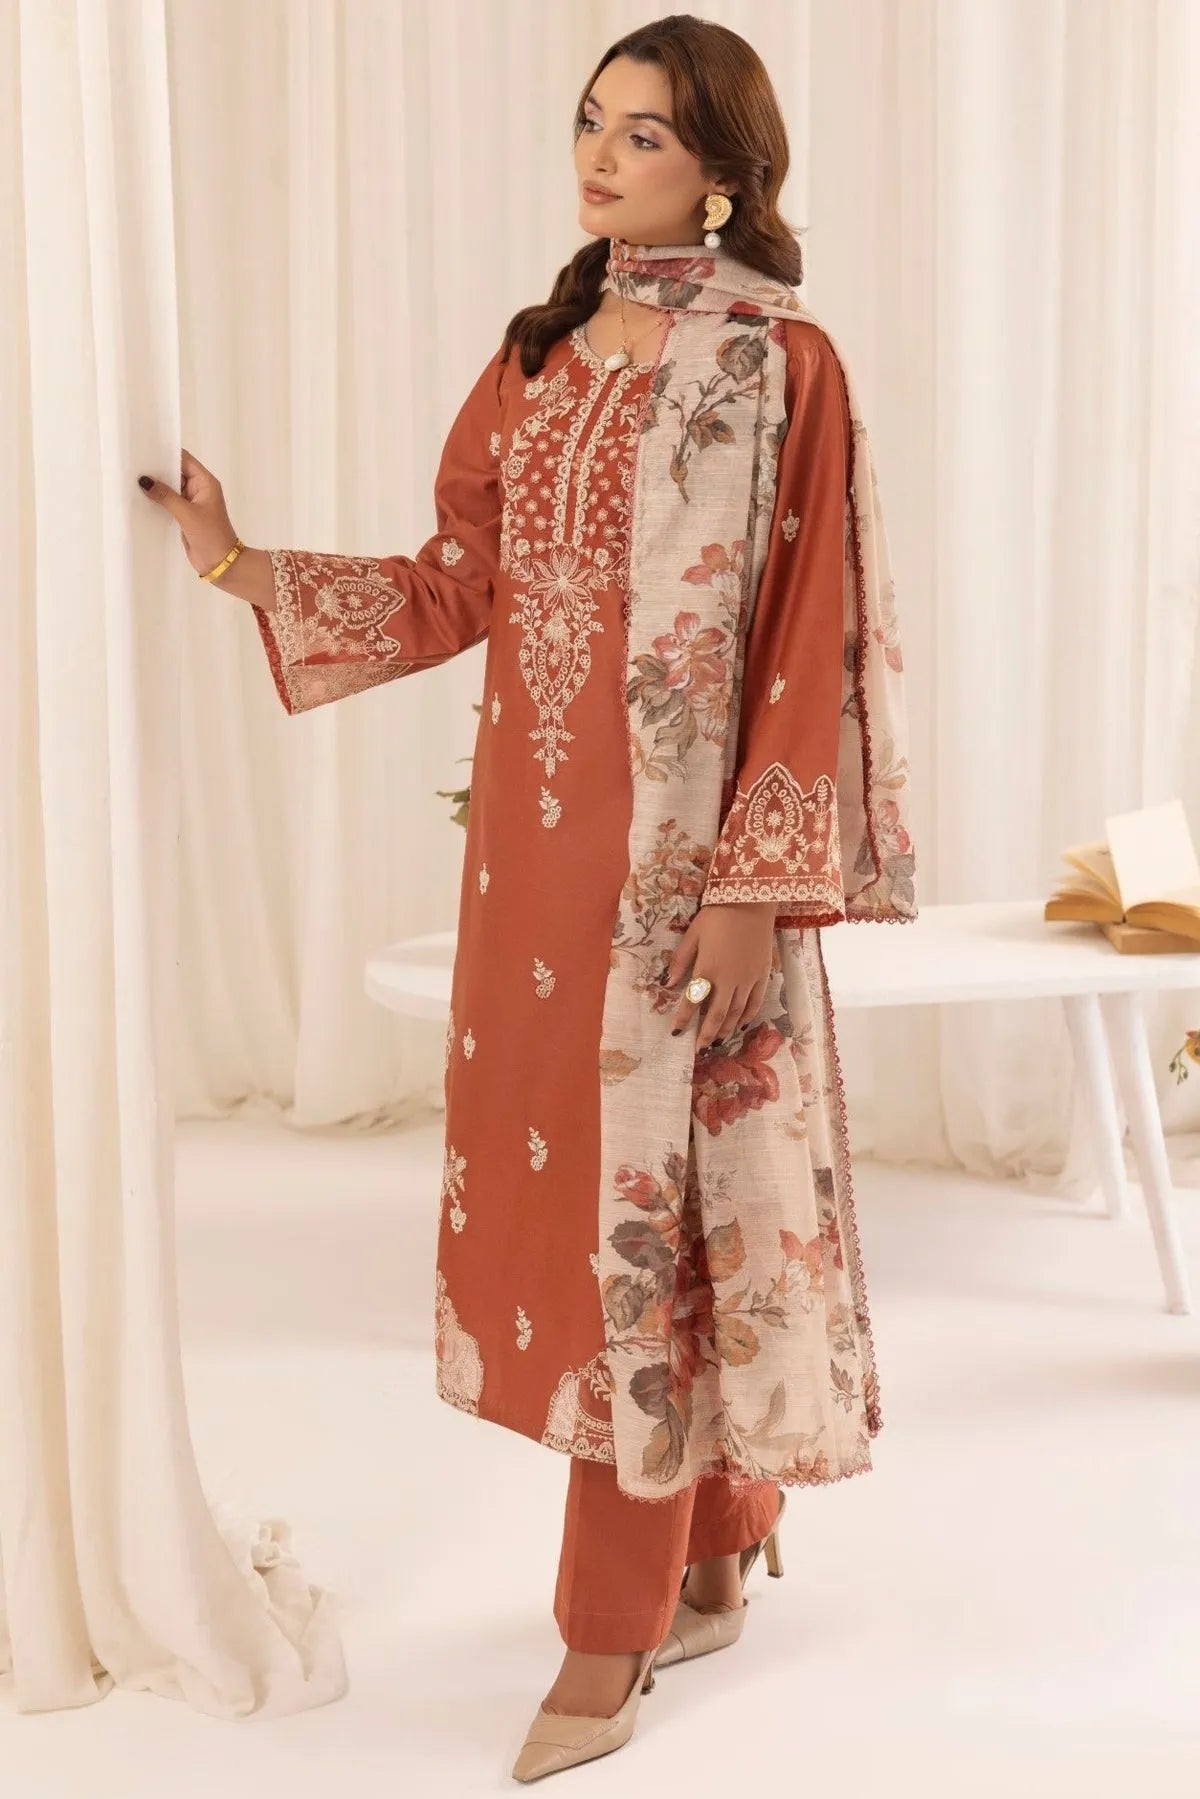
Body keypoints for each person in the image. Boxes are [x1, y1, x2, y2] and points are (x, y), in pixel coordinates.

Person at [138, 13, 916, 1783]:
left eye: (641, 137)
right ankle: (715, 1539)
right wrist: (245, 563)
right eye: (591, 126)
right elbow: (457, 583)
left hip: (684, 871)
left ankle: (605, 1633)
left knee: (644, 1215)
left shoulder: (781, 364)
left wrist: (755, 884)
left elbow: (809, 634)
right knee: (607, 1207)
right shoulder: (540, 352)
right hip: (535, 872)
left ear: (724, 169)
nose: (599, 157)